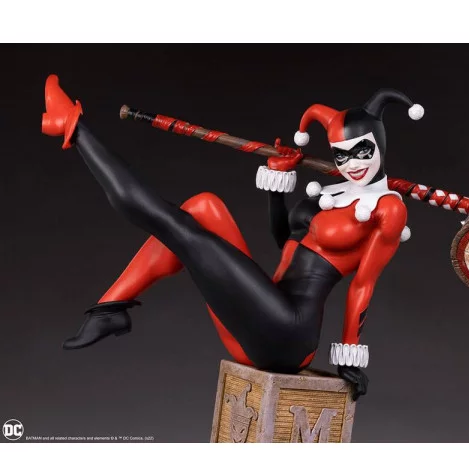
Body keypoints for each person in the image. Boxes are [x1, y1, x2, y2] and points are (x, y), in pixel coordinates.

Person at [42, 76, 423, 399]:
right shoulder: (336, 193)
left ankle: (75, 129)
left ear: (380, 145)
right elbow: (285, 242)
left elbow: (363, 285)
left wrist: (349, 358)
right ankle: (111, 309)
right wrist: (278, 186)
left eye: (362, 151)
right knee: (203, 207)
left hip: (288, 334)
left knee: (172, 225)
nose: (352, 164)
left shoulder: (387, 208)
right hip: (264, 313)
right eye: (341, 155)